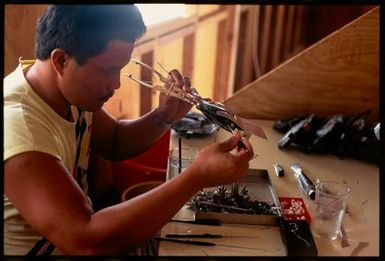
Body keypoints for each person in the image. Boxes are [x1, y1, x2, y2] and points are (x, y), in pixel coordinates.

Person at [4, 5, 254, 255]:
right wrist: (197, 177)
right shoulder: (20, 128)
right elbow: (86, 240)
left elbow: (114, 141)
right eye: (108, 70)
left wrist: (162, 117)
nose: (116, 83)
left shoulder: (59, 89)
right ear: (61, 60)